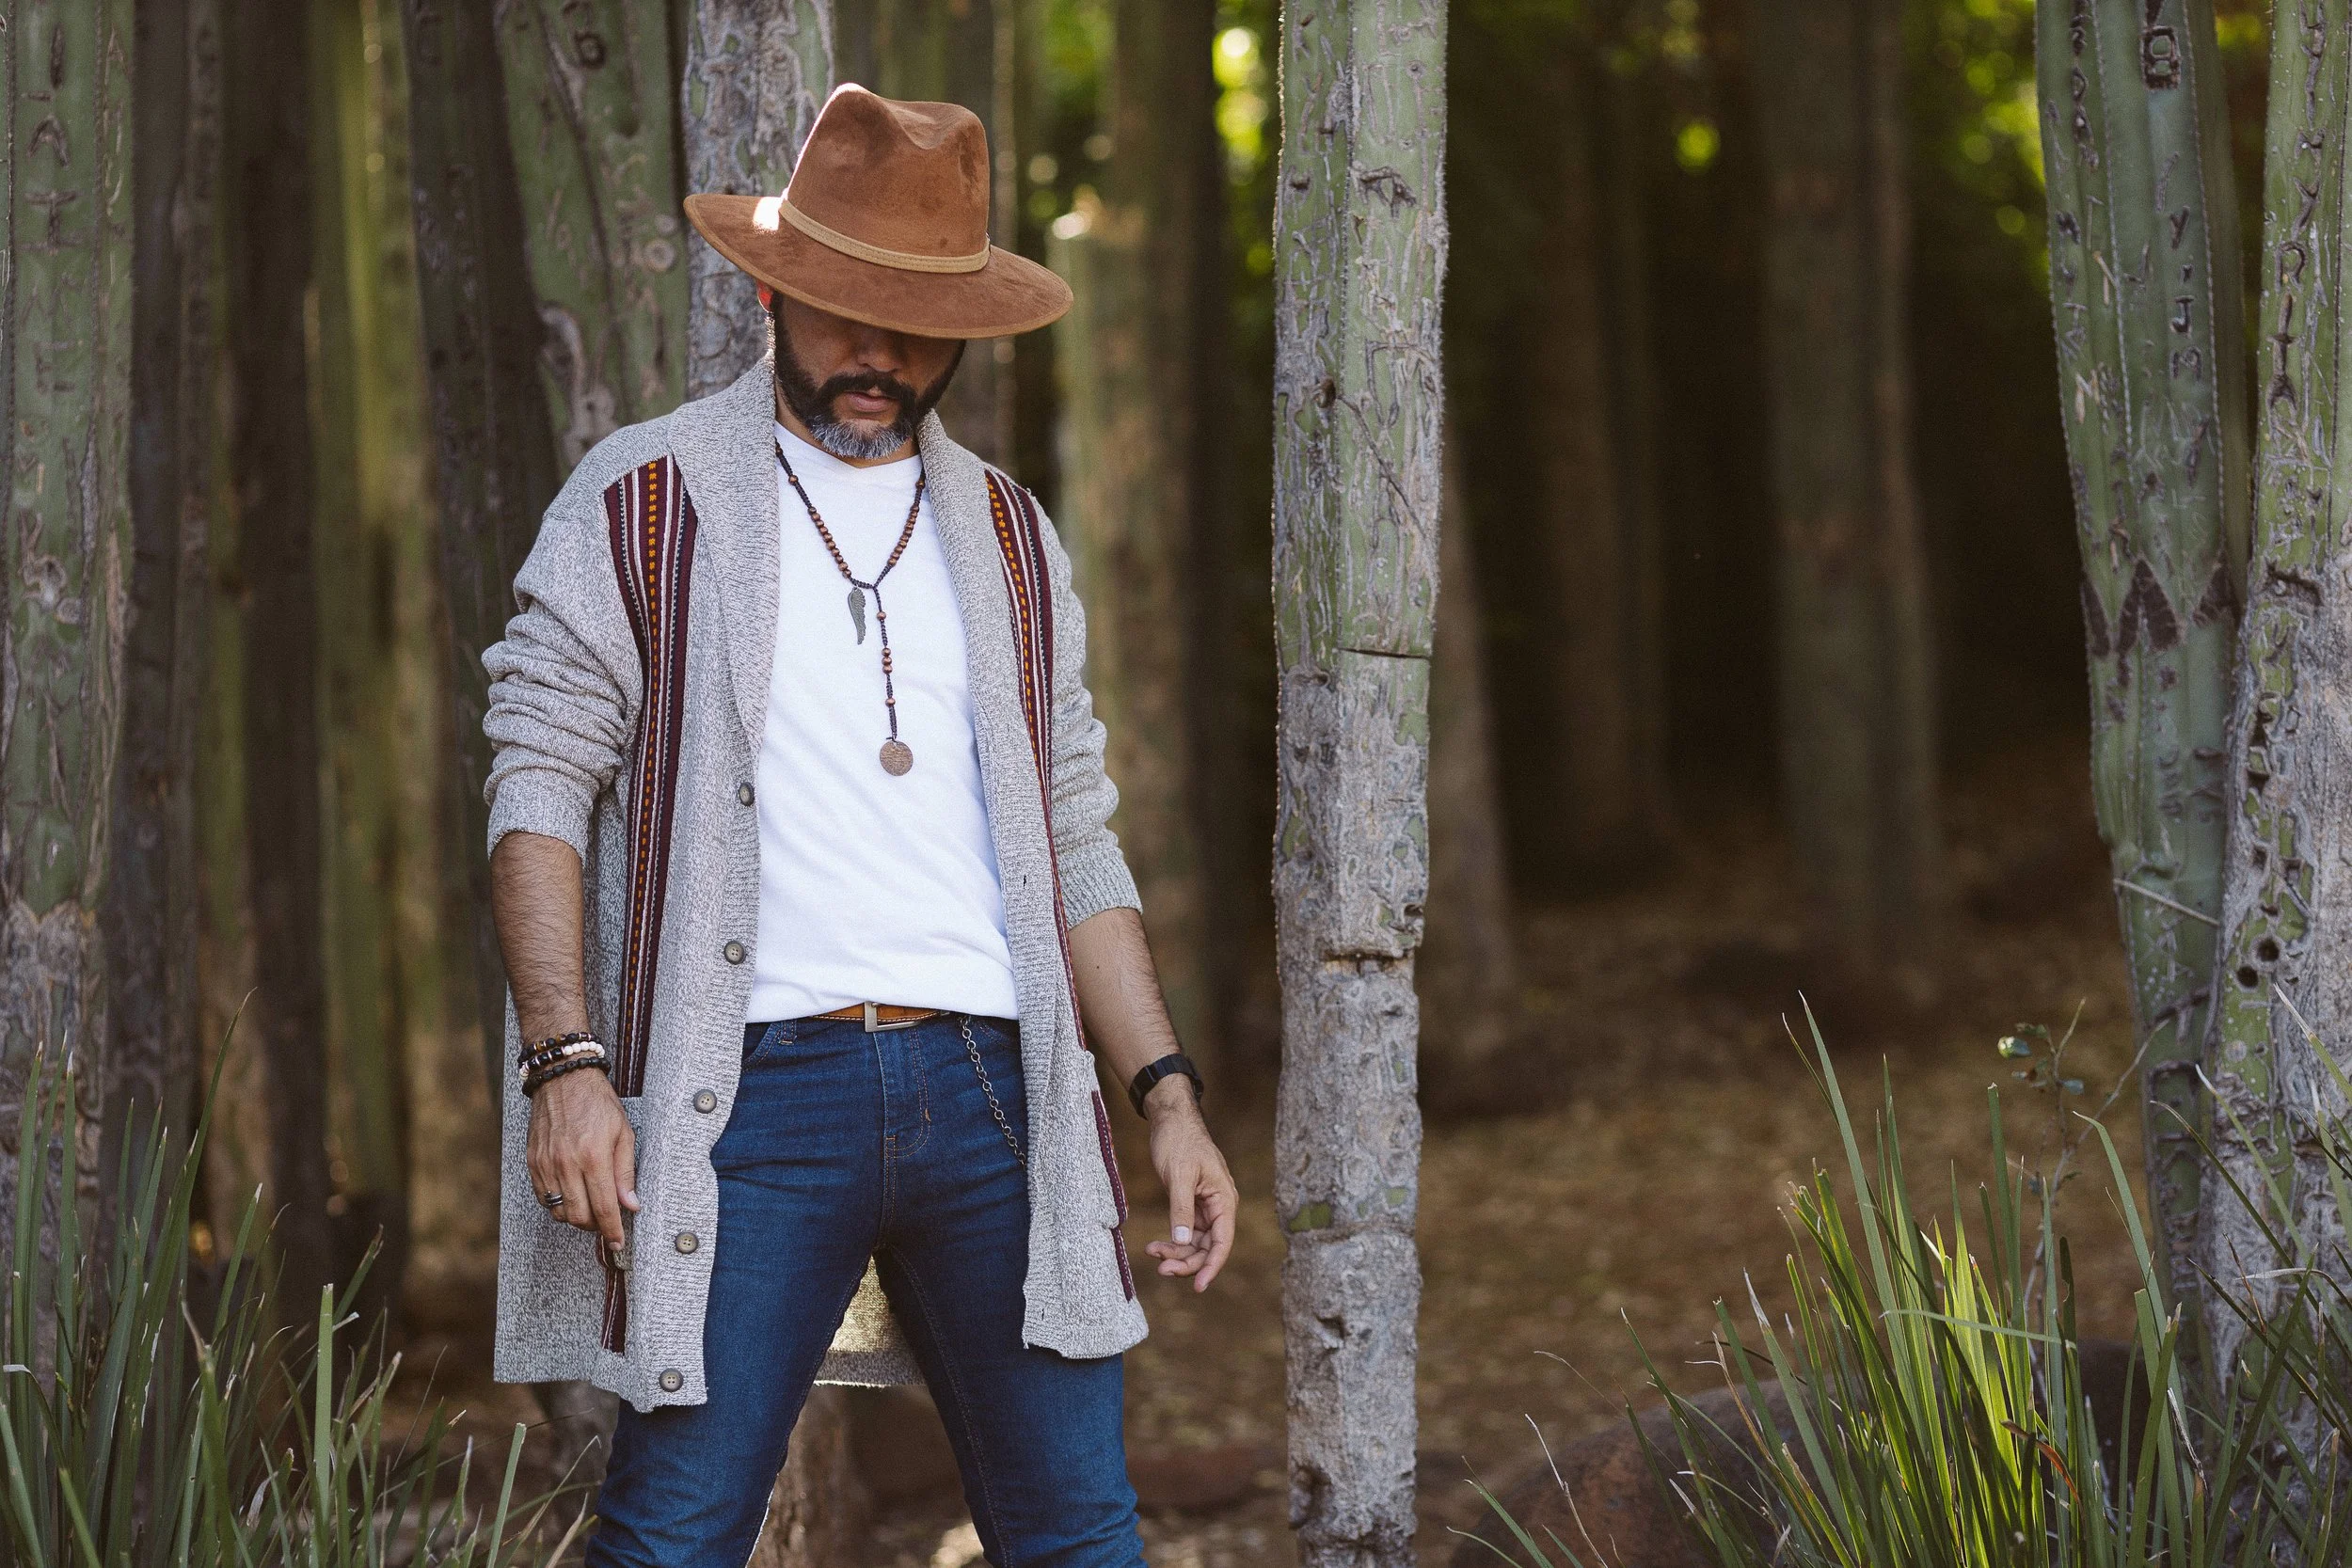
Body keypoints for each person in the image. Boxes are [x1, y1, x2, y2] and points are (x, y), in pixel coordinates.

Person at [480, 83, 1238, 1568]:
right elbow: (537, 780)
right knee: (671, 1534)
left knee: (1081, 1538)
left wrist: (1166, 1096)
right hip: (750, 1100)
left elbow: (1074, 832)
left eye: (918, 323)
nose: (879, 354)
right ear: (773, 288)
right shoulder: (643, 504)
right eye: (845, 312)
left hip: (995, 1091)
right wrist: (566, 1063)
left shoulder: (1010, 537)